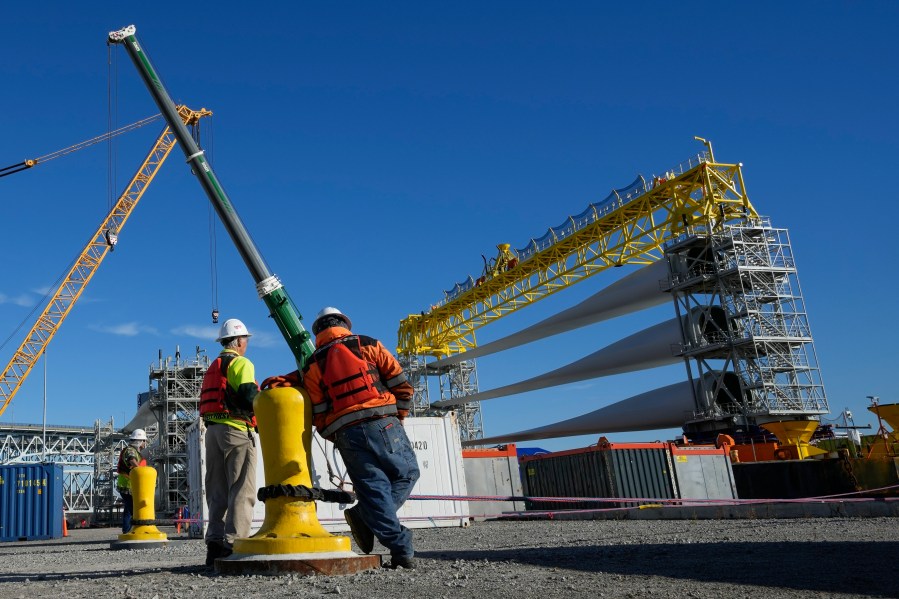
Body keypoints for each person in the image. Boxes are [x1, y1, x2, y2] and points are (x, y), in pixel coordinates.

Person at [262, 306, 420, 569]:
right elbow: (399, 381)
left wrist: (337, 435)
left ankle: (400, 548)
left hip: (347, 433)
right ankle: (366, 516)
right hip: (383, 423)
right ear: (344, 324)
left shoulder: (313, 364)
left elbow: (319, 410)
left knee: (374, 490)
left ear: (318, 333)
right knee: (407, 474)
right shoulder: (368, 344)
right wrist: (398, 416)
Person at [200, 318, 259, 566]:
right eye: (245, 340)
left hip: (212, 432)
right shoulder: (240, 363)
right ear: (239, 341)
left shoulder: (213, 366)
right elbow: (248, 396)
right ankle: (234, 545)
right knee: (241, 488)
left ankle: (214, 545)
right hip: (235, 430)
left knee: (217, 491)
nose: (246, 344)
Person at [116, 428, 148, 533]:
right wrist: (139, 471)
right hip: (126, 486)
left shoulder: (136, 452)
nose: (145, 443)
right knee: (134, 510)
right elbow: (131, 459)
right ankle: (133, 532)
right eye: (144, 441)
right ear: (140, 441)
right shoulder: (130, 450)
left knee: (128, 511)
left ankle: (127, 531)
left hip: (129, 486)